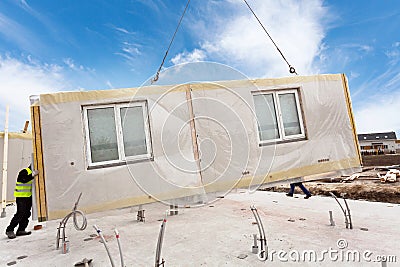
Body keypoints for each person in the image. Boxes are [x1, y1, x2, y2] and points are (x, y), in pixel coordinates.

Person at [5, 165, 38, 239]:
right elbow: (24, 179)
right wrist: (32, 175)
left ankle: (21, 230)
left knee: (26, 214)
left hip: (28, 197)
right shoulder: (24, 171)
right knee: (20, 213)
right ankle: (9, 230)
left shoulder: (35, 174)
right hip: (21, 197)